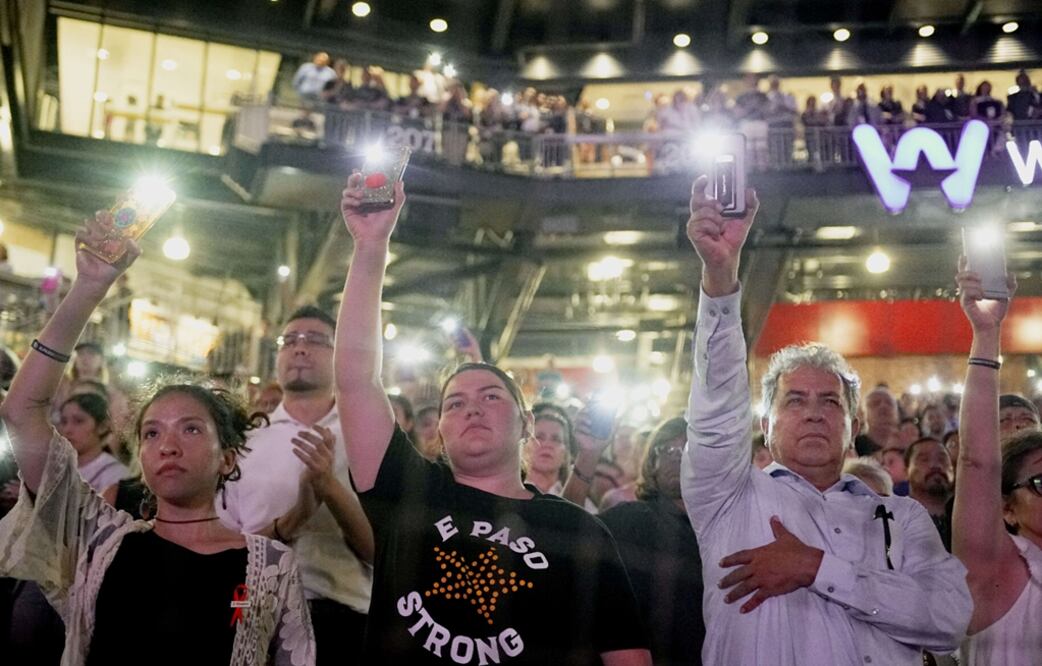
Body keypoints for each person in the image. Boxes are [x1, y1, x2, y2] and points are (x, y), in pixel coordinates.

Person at [335, 173, 651, 665]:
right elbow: (356, 379)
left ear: (525, 424)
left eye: (490, 396)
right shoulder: (408, 490)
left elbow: (627, 656)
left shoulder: (575, 529)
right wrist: (371, 247)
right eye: (454, 403)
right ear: (438, 428)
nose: (472, 407)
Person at [0, 211, 315, 666]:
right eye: (151, 432)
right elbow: (21, 409)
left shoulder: (269, 568)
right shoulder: (99, 537)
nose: (168, 444)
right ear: (141, 457)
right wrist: (89, 287)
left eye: (191, 428)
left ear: (227, 458)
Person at [681, 173, 971, 665]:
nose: (814, 412)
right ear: (765, 426)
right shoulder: (730, 497)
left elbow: (948, 621)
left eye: (830, 402)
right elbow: (715, 406)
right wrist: (721, 276)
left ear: (854, 427)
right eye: (794, 401)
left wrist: (816, 568)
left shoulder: (902, 519)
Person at [218, 305, 373, 666]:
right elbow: (227, 549)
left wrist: (328, 488)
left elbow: (380, 553)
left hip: (340, 612)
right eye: (290, 341)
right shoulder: (246, 443)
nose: (300, 348)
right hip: (256, 610)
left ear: (339, 356)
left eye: (316, 340)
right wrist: (294, 518)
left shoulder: (365, 438)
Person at [952, 257, 1042, 664]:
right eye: (1041, 483)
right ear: (1006, 507)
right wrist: (987, 333)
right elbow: (977, 463)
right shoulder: (998, 570)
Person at [600, 417, 705, 666]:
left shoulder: (727, 527)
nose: (676, 457)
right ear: (652, 464)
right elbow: (567, 536)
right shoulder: (626, 520)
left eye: (688, 448)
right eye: (667, 449)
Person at [905, 437, 955, 551]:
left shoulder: (971, 522)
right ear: (905, 471)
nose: (935, 465)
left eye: (942, 459)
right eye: (924, 459)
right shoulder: (894, 522)